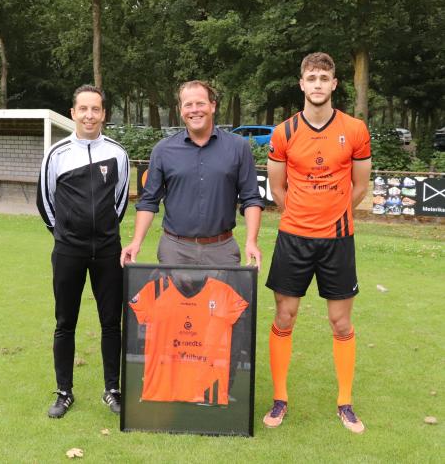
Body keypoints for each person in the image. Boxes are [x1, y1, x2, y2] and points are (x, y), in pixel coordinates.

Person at [263, 53, 371, 434]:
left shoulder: (355, 129)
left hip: (337, 240)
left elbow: (360, 186)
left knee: (341, 322)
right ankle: (280, 399)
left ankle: (345, 403)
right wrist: (302, 217)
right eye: (312, 78)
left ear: (334, 84)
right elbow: (277, 188)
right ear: (302, 84)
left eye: (324, 78)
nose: (318, 84)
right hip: (293, 239)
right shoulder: (284, 132)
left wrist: (333, 215)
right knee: (284, 316)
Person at [37, 84, 130, 418]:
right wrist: (65, 235)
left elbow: (120, 202)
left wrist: (102, 234)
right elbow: (45, 201)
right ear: (73, 113)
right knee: (65, 322)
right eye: (83, 109)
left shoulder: (118, 153)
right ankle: (64, 392)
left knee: (111, 322)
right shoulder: (56, 154)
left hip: (107, 251)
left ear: (103, 114)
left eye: (96, 109)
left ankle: (112, 390)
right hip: (68, 251)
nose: (89, 115)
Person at [120, 80, 264, 268]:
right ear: (181, 110)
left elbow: (251, 198)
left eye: (200, 103)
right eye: (188, 105)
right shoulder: (163, 150)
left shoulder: (238, 147)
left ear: (212, 106)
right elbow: (149, 201)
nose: (194, 110)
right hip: (175, 250)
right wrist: (136, 242)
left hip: (222, 250)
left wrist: (251, 241)